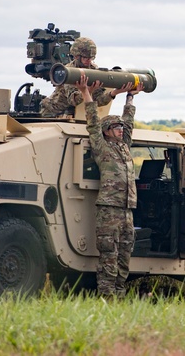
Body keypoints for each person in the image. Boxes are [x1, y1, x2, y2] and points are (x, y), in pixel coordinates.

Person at [77, 74, 143, 298]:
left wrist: (130, 98)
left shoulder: (124, 147)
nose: (120, 130)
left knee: (125, 256)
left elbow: (129, 122)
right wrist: (86, 92)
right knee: (109, 257)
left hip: (127, 210)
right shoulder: (102, 147)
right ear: (106, 131)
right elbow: (93, 121)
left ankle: (120, 295)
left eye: (120, 128)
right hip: (109, 210)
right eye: (115, 127)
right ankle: (107, 298)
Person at [40, 37, 123, 117]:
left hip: (74, 116)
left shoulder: (93, 70)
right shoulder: (70, 71)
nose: (89, 60)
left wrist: (114, 93)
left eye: (91, 57)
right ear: (76, 56)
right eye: (85, 57)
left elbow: (99, 101)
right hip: (52, 112)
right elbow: (73, 100)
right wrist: (88, 90)